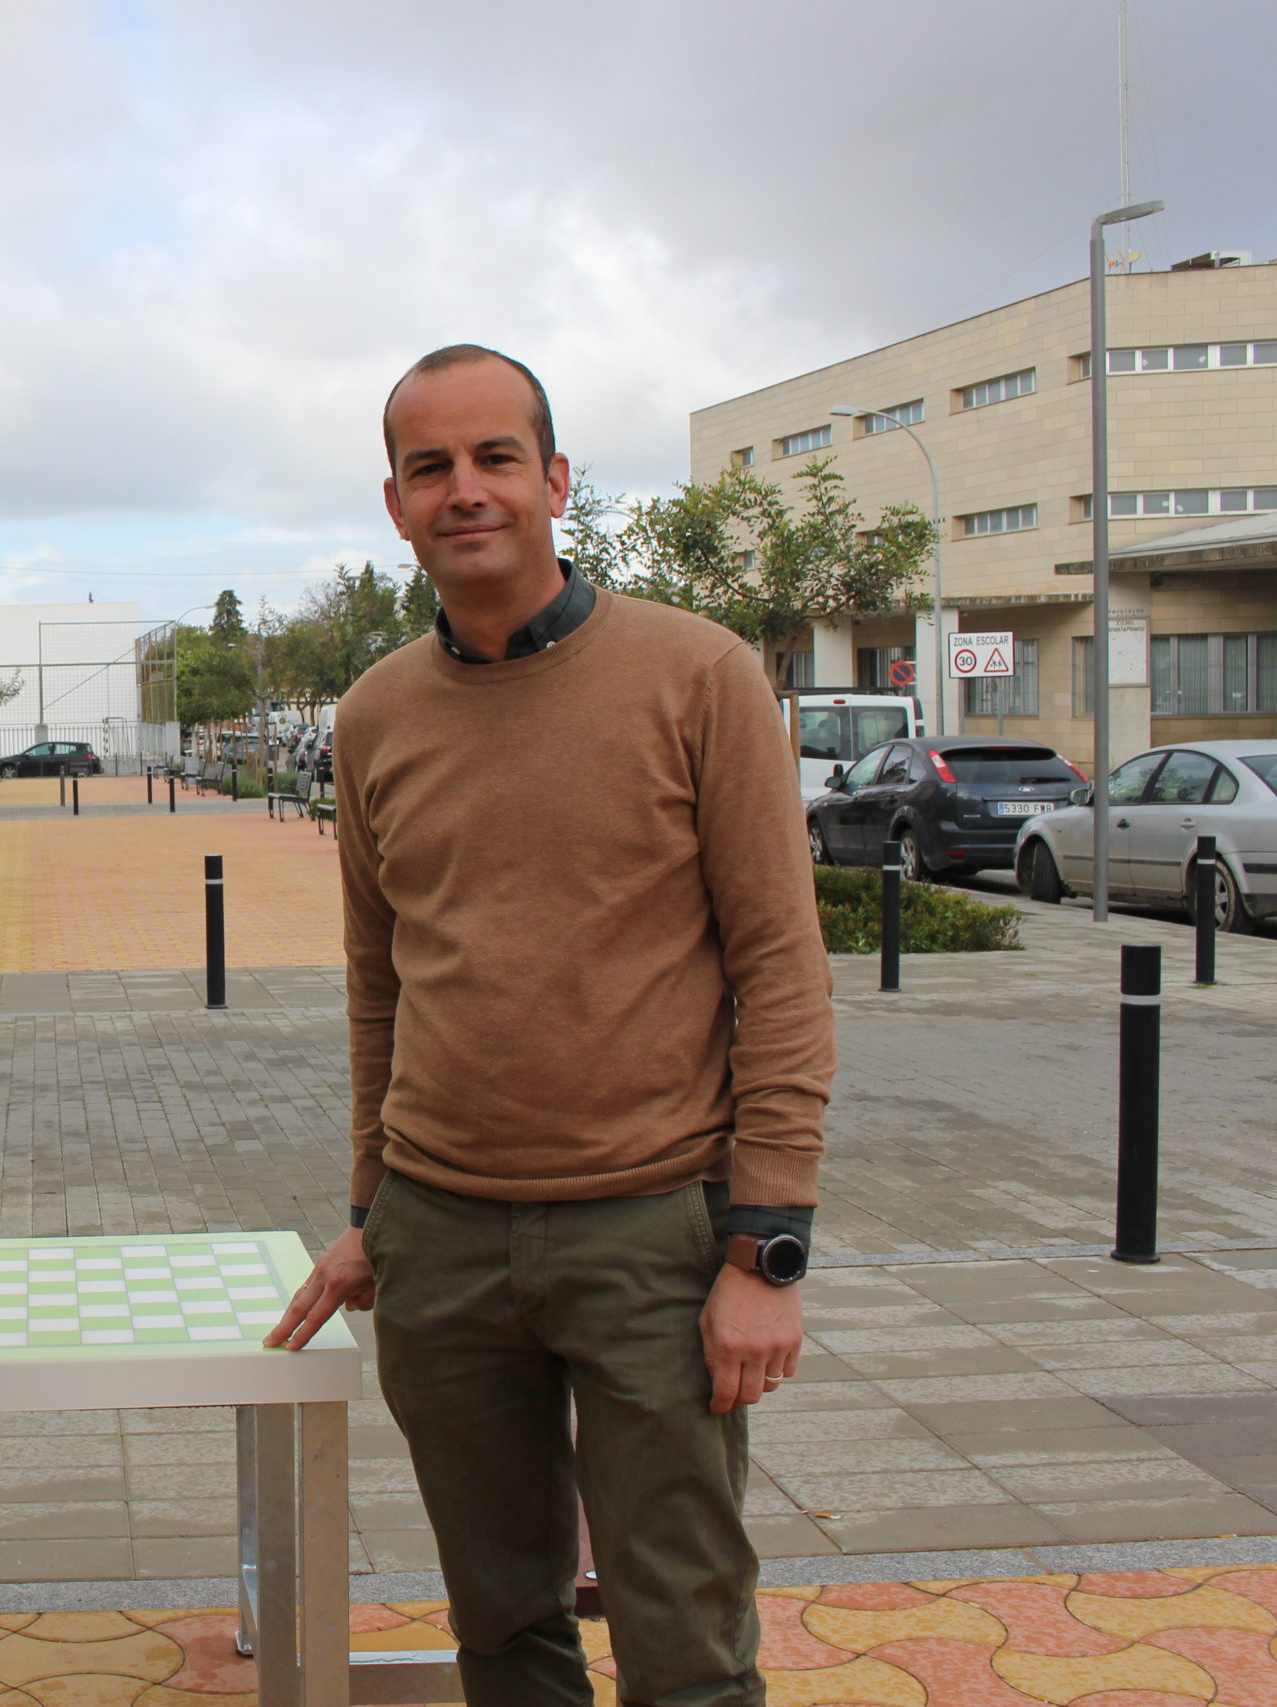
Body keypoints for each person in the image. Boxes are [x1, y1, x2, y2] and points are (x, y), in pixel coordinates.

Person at [267, 344, 834, 1707]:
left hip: (652, 1233)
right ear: (395, 504)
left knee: (685, 1636)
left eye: (495, 458)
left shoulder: (698, 677)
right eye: (431, 467)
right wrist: (375, 1212)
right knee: (502, 1632)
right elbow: (380, 983)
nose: (465, 490)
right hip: (444, 1244)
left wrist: (768, 1244)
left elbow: (783, 968)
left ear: (555, 480)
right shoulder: (376, 717)